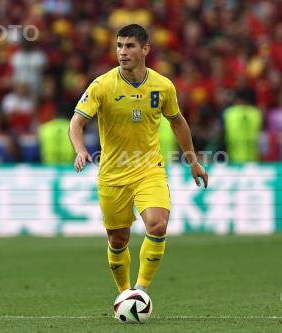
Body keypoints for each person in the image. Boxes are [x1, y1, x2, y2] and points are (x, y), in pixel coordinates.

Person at [68, 24, 208, 295]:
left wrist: (193, 161)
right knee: (118, 239)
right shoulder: (102, 85)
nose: (123, 52)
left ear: (145, 49)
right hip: (113, 174)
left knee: (157, 224)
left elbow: (178, 123)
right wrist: (79, 149)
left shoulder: (163, 86)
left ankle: (140, 292)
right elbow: (76, 123)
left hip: (149, 169)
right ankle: (124, 292)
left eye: (130, 46)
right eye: (119, 46)